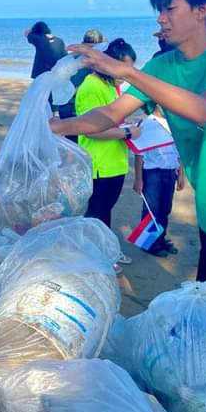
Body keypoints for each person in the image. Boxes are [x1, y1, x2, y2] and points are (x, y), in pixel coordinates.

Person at [50, 0, 206, 282]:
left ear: (202, 9)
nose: (160, 18)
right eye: (160, 10)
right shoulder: (162, 66)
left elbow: (203, 109)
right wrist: (59, 127)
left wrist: (127, 72)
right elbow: (111, 114)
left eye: (170, 9)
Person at [75, 38, 140, 269]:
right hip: (99, 164)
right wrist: (127, 132)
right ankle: (98, 258)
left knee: (105, 211)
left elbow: (111, 119)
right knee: (97, 213)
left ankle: (107, 251)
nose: (126, 74)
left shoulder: (110, 85)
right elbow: (91, 129)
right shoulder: (91, 87)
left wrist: (126, 125)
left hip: (114, 162)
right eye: (123, 68)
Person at [133, 107, 186, 256]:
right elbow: (139, 153)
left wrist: (181, 174)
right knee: (151, 210)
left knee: (165, 209)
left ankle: (160, 240)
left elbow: (180, 150)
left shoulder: (174, 124)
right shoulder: (147, 124)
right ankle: (148, 244)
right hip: (152, 173)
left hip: (170, 171)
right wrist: (138, 179)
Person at [57, 28, 105, 142]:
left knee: (72, 143)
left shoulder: (69, 58)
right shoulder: (94, 61)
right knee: (83, 142)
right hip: (79, 106)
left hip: (65, 105)